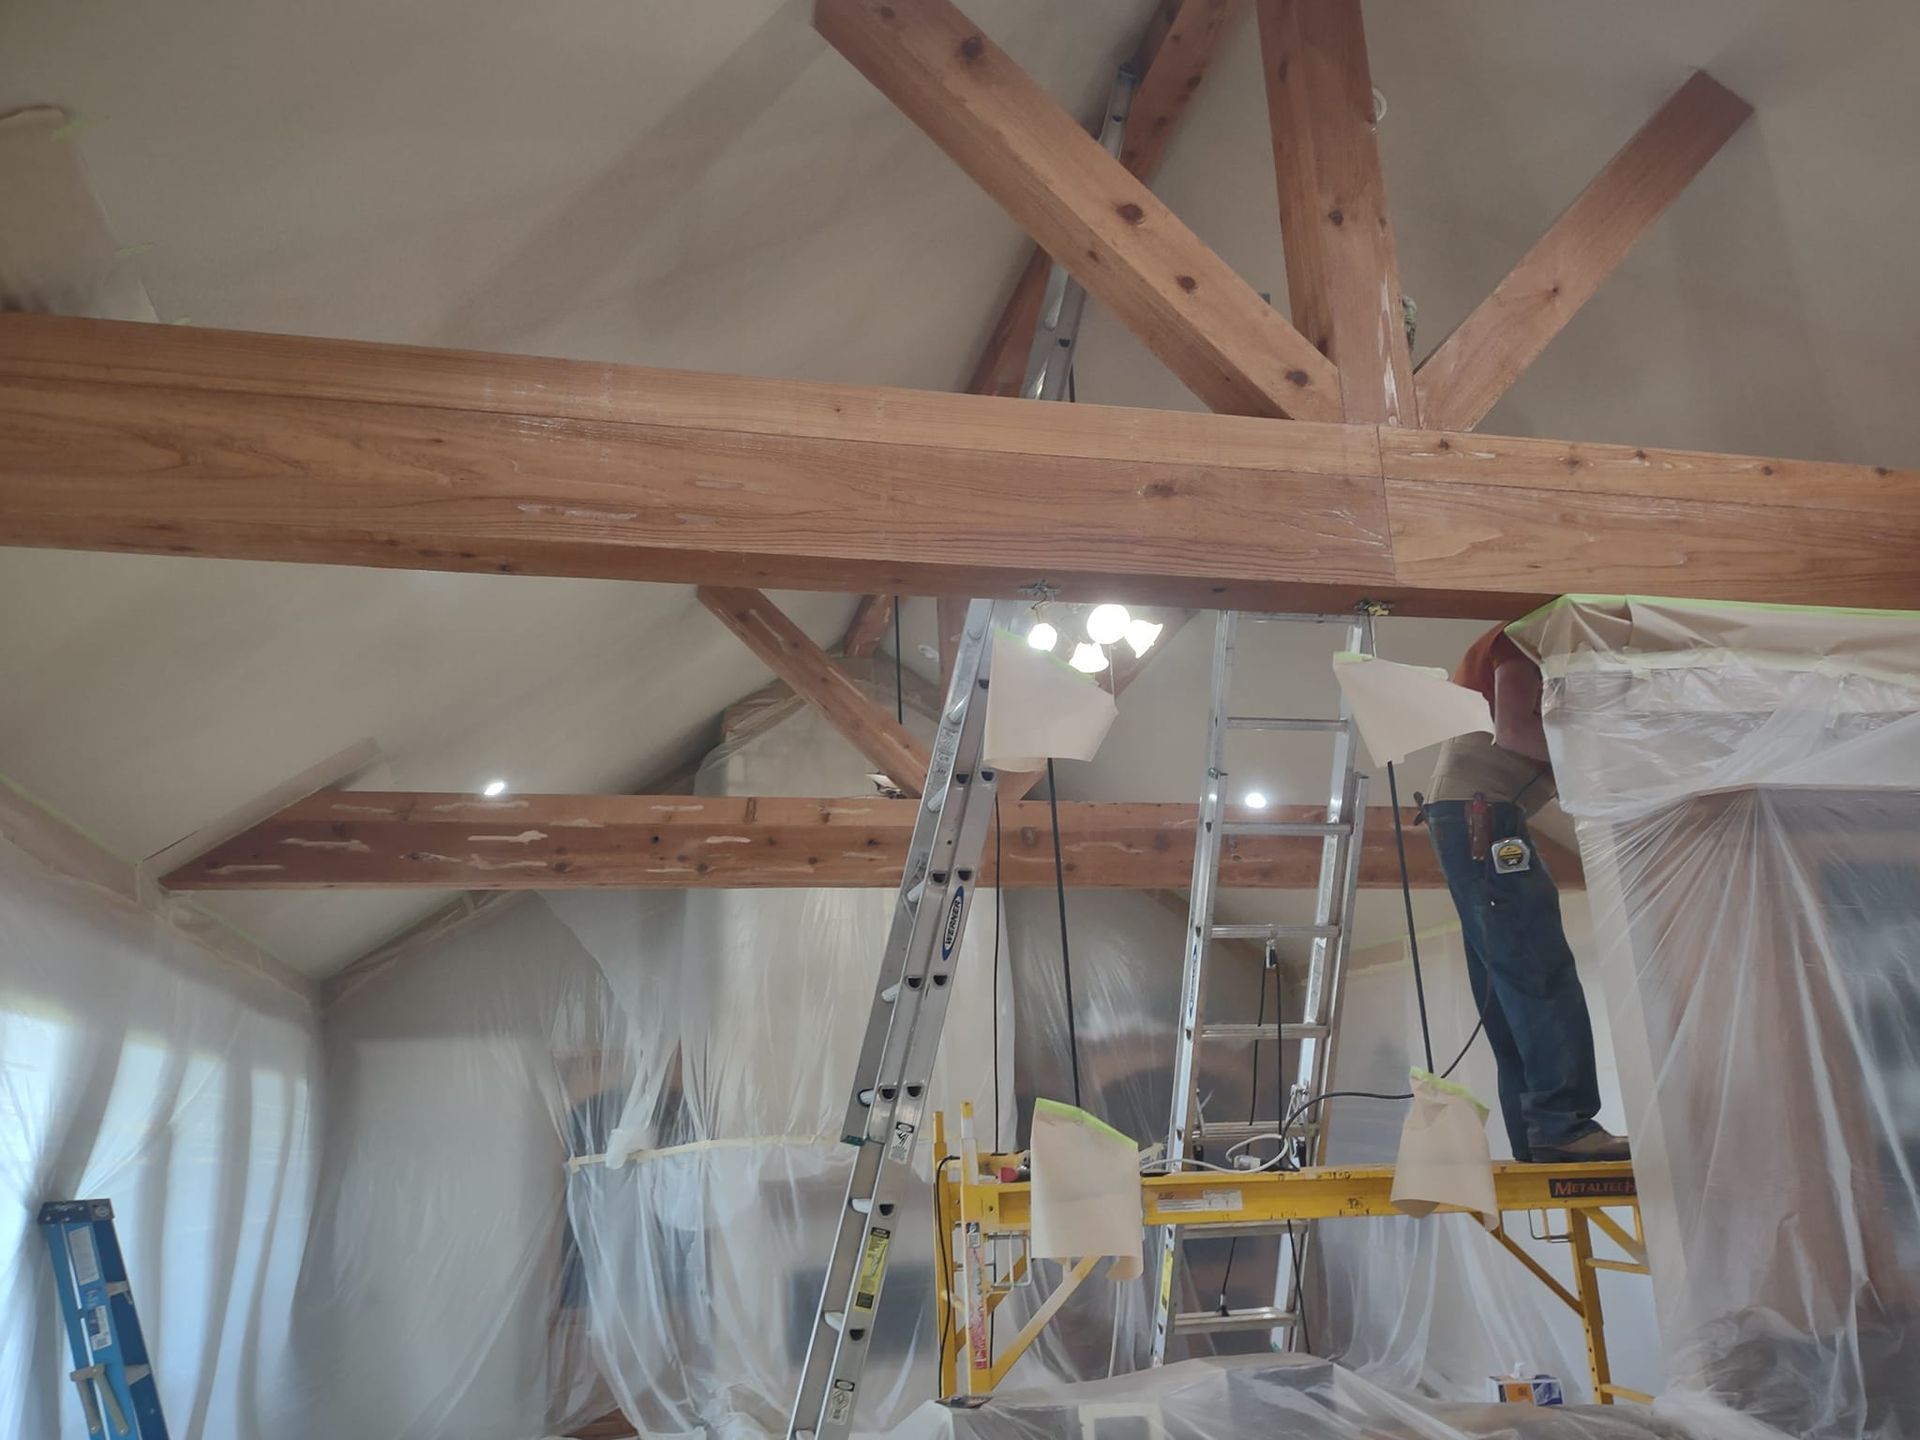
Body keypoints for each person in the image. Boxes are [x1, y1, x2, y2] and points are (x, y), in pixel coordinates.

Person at [1420, 623, 1630, 1164]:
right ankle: (1563, 1124)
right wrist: (1608, 758)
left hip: (1472, 817)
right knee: (1537, 967)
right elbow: (1514, 731)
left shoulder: (1527, 644)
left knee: (1506, 978)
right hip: (1482, 817)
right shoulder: (1519, 638)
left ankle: (1538, 1134)